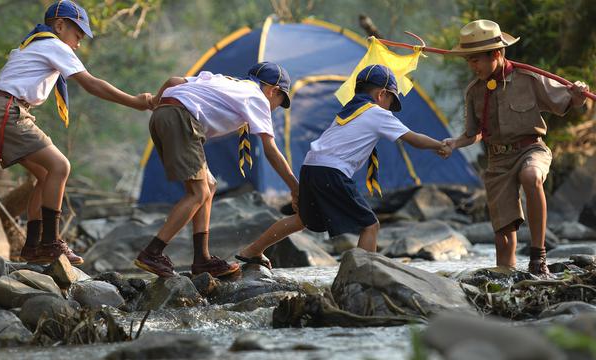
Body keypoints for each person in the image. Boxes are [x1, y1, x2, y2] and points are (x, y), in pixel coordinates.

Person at [0, 0, 153, 265]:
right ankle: (51, 244)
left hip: (3, 108)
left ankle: (32, 248)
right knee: (61, 166)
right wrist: (135, 102)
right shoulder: (53, 44)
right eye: (78, 34)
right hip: (8, 109)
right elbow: (92, 85)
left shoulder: (39, 43)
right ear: (60, 26)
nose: (79, 42)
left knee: (45, 175)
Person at [236, 64, 451, 269]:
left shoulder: (348, 111)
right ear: (382, 94)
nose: (390, 109)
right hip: (331, 172)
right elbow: (412, 138)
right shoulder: (377, 113)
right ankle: (363, 274)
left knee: (302, 220)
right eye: (390, 101)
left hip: (311, 166)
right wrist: (439, 145)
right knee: (370, 225)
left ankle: (252, 250)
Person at [442, 20, 589, 277]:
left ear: (496, 54)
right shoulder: (474, 91)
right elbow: (473, 134)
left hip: (531, 150)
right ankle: (509, 285)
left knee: (531, 176)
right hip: (498, 162)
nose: (472, 66)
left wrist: (579, 94)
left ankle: (538, 256)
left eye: (476, 60)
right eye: (469, 60)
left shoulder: (529, 78)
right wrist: (454, 143)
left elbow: (571, 102)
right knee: (504, 244)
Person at [135, 62, 299, 278]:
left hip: (163, 115)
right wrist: (295, 188)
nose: (276, 106)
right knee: (198, 193)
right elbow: (270, 150)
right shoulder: (258, 97)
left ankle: (202, 259)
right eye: (280, 101)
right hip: (181, 118)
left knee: (209, 186)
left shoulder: (226, 81)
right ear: (273, 91)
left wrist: (156, 101)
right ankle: (152, 253)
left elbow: (173, 81)